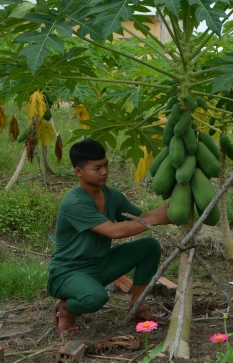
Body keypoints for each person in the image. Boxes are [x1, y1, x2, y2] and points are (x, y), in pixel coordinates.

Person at [47, 139, 171, 334]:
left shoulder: (112, 195)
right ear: (79, 172)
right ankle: (65, 308)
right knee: (96, 298)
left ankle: (137, 307)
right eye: (96, 168)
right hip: (68, 272)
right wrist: (157, 220)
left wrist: (169, 209)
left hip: (100, 264)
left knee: (149, 247)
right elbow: (114, 231)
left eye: (106, 165)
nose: (104, 171)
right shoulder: (75, 202)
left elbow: (142, 218)